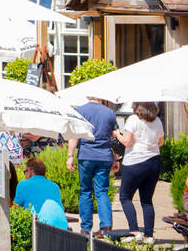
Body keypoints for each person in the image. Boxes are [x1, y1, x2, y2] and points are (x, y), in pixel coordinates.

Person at [67, 95, 119, 234]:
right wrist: (115, 158)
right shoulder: (109, 113)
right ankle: (106, 226)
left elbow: (74, 136)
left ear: (88, 96)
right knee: (102, 191)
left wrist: (70, 156)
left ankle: (85, 228)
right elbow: (114, 137)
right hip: (104, 155)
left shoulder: (80, 111)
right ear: (101, 97)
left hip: (86, 155)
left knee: (85, 191)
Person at [115, 101, 164, 242]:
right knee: (147, 200)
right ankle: (149, 235)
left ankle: (134, 231)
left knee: (125, 196)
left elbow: (127, 142)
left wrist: (117, 134)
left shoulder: (133, 120)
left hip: (135, 161)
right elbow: (161, 142)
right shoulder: (157, 121)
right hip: (154, 161)